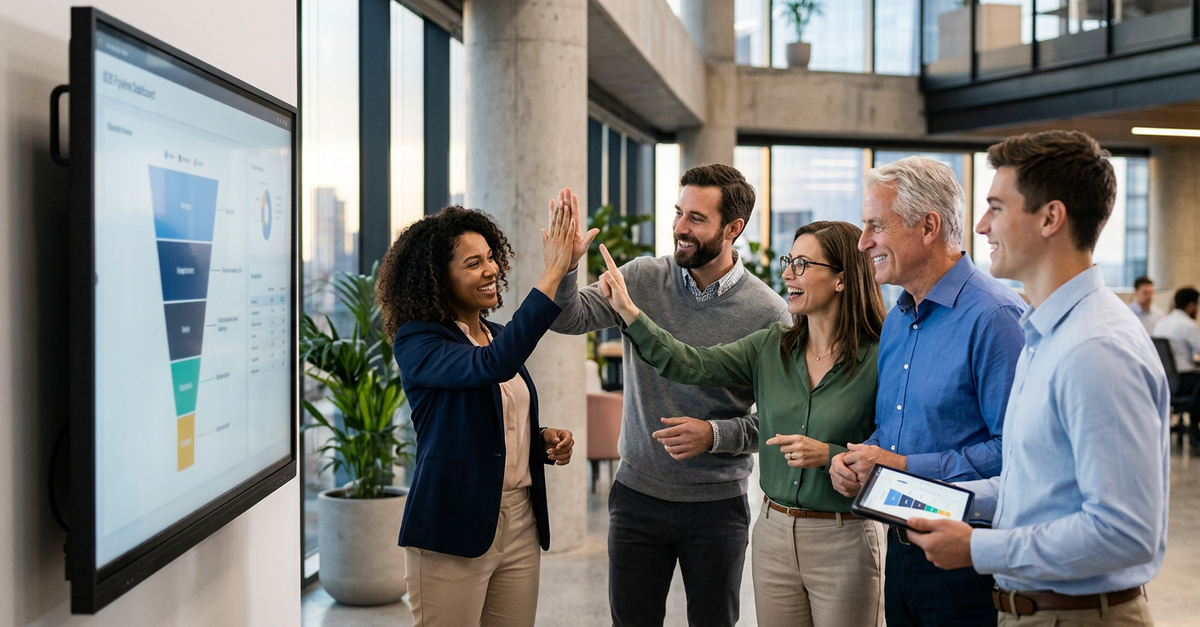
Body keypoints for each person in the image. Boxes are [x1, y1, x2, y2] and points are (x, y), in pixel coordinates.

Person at [909, 130, 1169, 627]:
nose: (982, 226)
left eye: (996, 208)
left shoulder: (1095, 348)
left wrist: (981, 547)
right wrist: (950, 498)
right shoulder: (1044, 333)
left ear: (1051, 217)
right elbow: (1040, 485)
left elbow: (1124, 532)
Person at [594, 221, 887, 627]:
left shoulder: (882, 357)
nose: (788, 273)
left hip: (845, 536)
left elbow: (895, 451)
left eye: (802, 264)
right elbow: (688, 362)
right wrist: (629, 312)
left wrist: (829, 455)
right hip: (773, 532)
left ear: (841, 279)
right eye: (789, 261)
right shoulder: (772, 344)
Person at [548, 164, 790, 627]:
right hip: (637, 498)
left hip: (717, 508)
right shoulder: (641, 278)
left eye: (696, 218)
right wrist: (568, 266)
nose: (679, 227)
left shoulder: (769, 313)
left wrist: (714, 434)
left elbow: (779, 417)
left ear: (733, 228)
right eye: (679, 213)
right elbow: (567, 318)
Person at [828, 156, 1026, 626]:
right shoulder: (897, 318)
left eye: (876, 225)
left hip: (966, 561)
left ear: (928, 226)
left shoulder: (996, 317)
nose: (863, 242)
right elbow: (896, 431)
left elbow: (1017, 454)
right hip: (900, 548)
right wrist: (862, 458)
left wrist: (903, 467)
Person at [378, 205, 577, 627]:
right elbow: (491, 367)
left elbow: (491, 417)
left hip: (520, 520)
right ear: (438, 278)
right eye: (474, 263)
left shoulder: (497, 334)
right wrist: (553, 273)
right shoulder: (418, 341)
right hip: (452, 524)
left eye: (490, 257)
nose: (490, 269)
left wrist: (538, 439)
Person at [1153, 286, 1200, 453]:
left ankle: (1192, 432)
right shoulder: (1188, 325)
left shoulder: (1161, 322)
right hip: (1183, 382)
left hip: (1164, 381)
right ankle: (1195, 431)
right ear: (1191, 305)